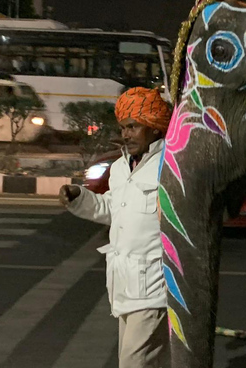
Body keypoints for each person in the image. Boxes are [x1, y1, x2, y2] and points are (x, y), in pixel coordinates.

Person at [59, 87, 171, 368]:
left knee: (133, 363)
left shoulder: (169, 166)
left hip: (155, 288)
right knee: (149, 362)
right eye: (123, 128)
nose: (126, 134)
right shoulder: (122, 167)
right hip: (123, 284)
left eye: (133, 126)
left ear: (155, 128)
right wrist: (78, 196)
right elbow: (112, 209)